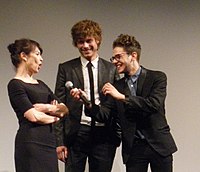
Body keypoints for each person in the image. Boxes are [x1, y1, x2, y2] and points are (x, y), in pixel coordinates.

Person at [71, 34, 178, 172]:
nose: (114, 61)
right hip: (134, 149)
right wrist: (87, 102)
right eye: (113, 58)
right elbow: (105, 114)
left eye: (118, 57)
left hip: (159, 145)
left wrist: (121, 97)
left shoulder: (157, 77)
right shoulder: (118, 86)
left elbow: (153, 104)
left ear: (133, 55)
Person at [54, 19, 121, 172]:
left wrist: (117, 136)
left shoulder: (111, 69)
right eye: (80, 42)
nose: (85, 46)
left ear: (97, 40)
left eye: (89, 41)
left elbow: (117, 106)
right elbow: (58, 106)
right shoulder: (66, 68)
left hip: (103, 135)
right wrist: (59, 142)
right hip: (76, 134)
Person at [7, 38, 69, 172]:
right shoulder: (15, 84)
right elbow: (33, 116)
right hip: (31, 143)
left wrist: (48, 108)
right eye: (37, 54)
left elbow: (64, 109)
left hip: (49, 143)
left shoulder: (41, 84)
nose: (41, 59)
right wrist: (55, 117)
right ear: (23, 56)